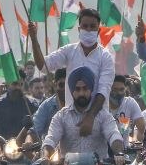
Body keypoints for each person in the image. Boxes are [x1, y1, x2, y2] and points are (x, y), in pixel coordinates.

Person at [29, 8, 115, 138]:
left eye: (93, 27)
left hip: (98, 121)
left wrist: (90, 117)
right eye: (85, 26)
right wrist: (34, 39)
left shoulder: (105, 56)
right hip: (70, 121)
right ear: (79, 29)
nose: (89, 29)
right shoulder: (69, 51)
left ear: (99, 30)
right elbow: (43, 66)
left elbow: (103, 90)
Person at [0, 70, 39, 140]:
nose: (18, 87)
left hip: (25, 147)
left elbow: (38, 127)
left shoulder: (31, 104)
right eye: (15, 84)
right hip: (4, 147)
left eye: (20, 84)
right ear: (8, 84)